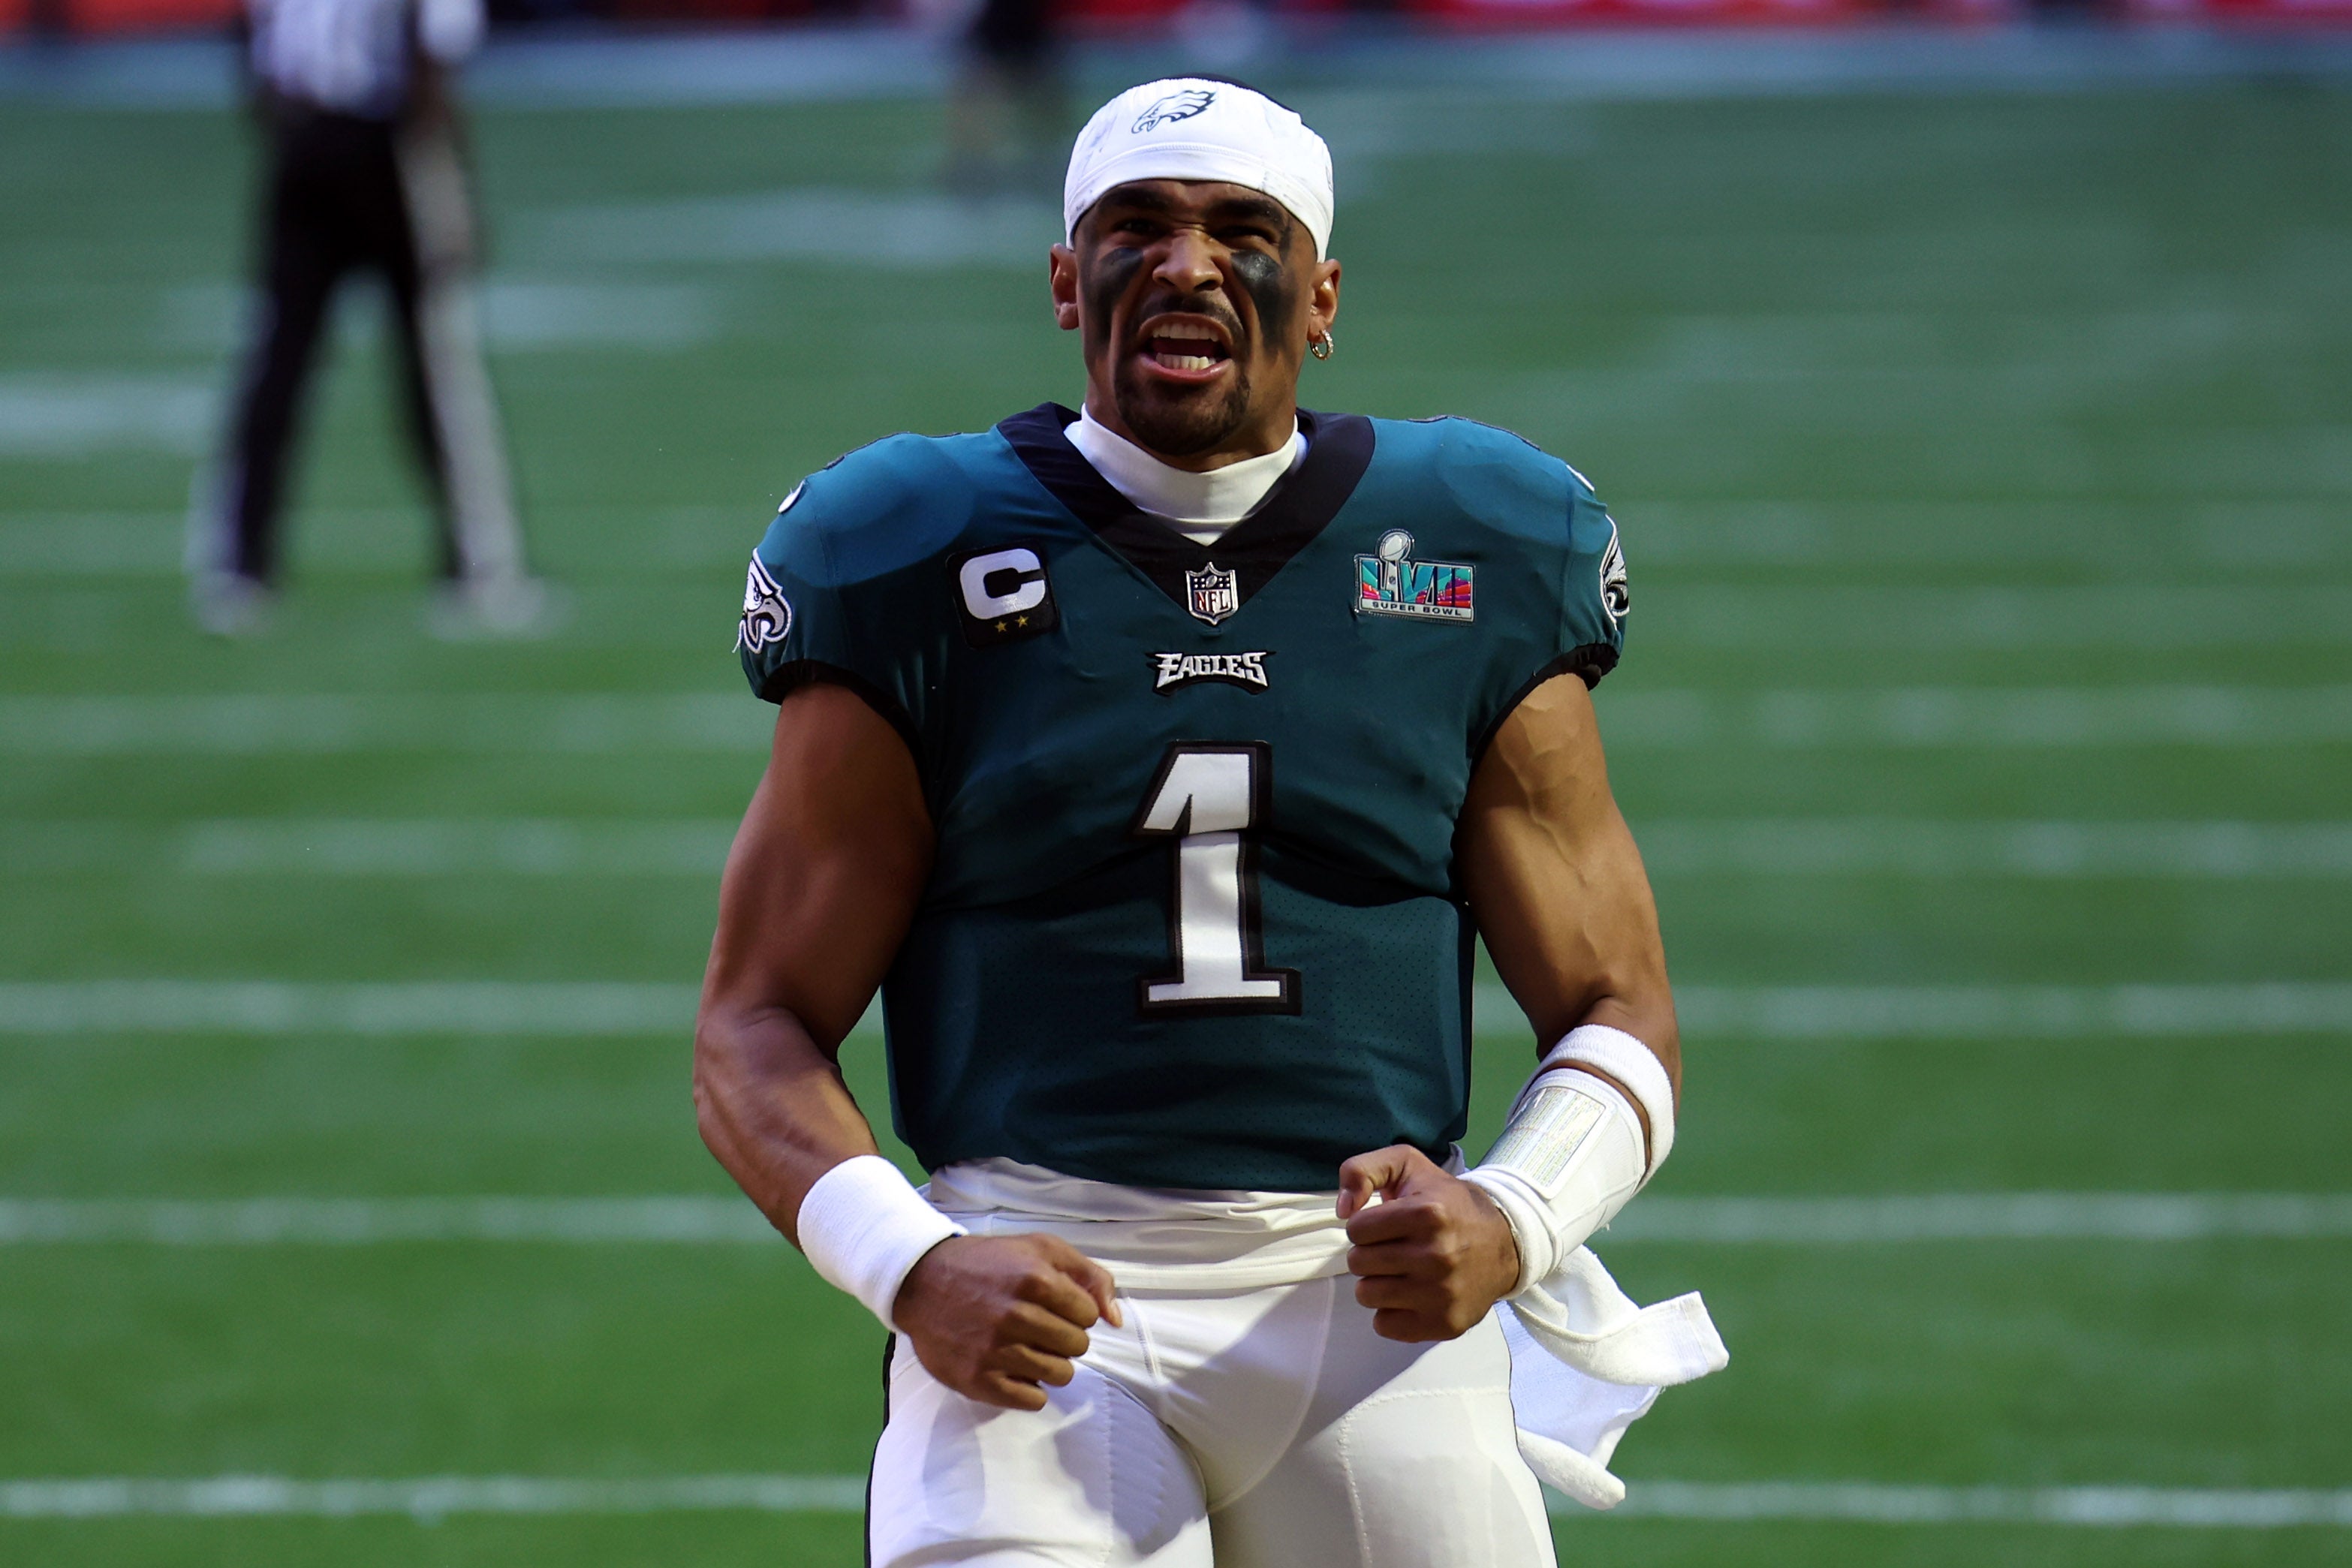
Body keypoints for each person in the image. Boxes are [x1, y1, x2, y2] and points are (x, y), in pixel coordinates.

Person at [696, 79, 1724, 1567]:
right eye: (1136, 228)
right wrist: (913, 1264)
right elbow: (753, 1023)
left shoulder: (1471, 544)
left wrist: (1509, 1217)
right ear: (1066, 279)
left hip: (1358, 1298)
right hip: (1045, 1290)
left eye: (1241, 231)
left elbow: (1620, 1003)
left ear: (1321, 297)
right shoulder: (914, 546)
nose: (1185, 264)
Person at [190, 0, 546, 637]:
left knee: (279, 356)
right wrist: (452, 186)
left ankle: (238, 563)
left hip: (300, 141)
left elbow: (255, 44)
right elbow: (432, 55)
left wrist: (292, 132)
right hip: (388, 146)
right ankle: (480, 565)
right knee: (437, 365)